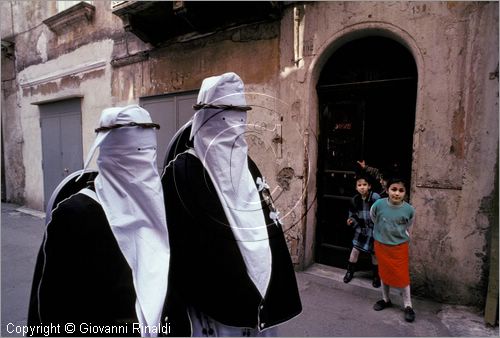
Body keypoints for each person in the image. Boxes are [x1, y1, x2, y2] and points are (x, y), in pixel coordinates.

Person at [162, 72, 302, 336]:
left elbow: (265, 220)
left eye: (240, 114)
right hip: (211, 306)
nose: (233, 124)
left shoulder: (249, 167)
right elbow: (172, 245)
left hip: (260, 299)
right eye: (223, 114)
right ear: (203, 116)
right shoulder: (181, 172)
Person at [27, 105, 170, 336]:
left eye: (148, 153)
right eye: (135, 154)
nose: (142, 167)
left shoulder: (160, 208)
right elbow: (51, 307)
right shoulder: (75, 215)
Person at [370, 177, 416, 323]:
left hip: (399, 247)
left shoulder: (409, 209)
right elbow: (373, 217)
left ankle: (408, 305)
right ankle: (385, 299)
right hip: (381, 245)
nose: (397, 193)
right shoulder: (378, 204)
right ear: (387, 190)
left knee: (402, 276)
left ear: (405, 193)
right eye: (393, 189)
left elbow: (409, 224)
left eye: (401, 190)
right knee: (384, 273)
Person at [344, 175, 381, 287]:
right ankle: (350, 271)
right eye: (359, 185)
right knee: (355, 250)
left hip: (374, 230)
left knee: (375, 254)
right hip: (361, 229)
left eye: (364, 185)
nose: (362, 187)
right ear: (356, 188)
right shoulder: (355, 200)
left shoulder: (375, 197)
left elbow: (381, 212)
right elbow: (353, 215)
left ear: (369, 186)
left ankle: (376, 275)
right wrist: (350, 220)